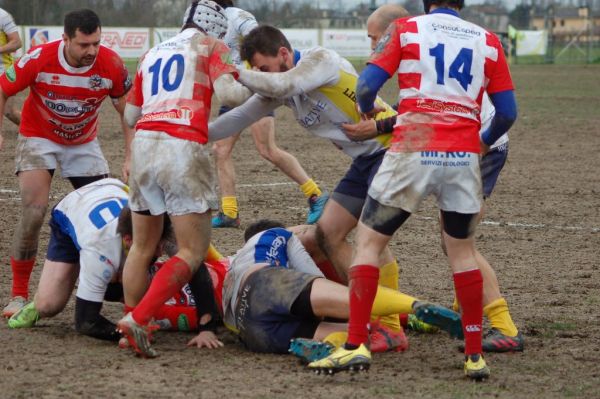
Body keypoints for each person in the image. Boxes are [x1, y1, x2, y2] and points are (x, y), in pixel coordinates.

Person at [309, 0, 517, 380]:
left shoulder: (407, 29)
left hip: (413, 146)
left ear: (426, 4)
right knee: (462, 252)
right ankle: (474, 357)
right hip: (462, 155)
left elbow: (367, 84)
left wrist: (369, 108)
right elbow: (507, 112)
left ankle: (356, 346)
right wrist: (482, 141)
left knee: (369, 243)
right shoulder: (488, 40)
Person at [208, 25, 409, 350]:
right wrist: (187, 131)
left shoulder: (322, 60)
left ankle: (389, 326)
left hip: (390, 150)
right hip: (364, 162)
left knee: (370, 239)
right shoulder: (283, 89)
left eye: (262, 68)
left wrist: (233, 73)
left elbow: (284, 81)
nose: (261, 76)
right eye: (255, 71)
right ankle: (368, 312)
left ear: (284, 54)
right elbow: (238, 117)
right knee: (327, 234)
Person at [117, 0, 252, 358]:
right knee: (192, 251)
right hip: (182, 147)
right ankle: (140, 319)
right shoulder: (211, 46)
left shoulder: (152, 51)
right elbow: (230, 95)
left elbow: (131, 115)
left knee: (144, 247)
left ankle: (132, 321)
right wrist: (251, 79)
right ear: (218, 25)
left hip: (145, 143)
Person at [0, 9, 135, 318]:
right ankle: (19, 293)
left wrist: (130, 153)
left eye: (96, 44)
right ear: (66, 39)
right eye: (83, 45)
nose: (91, 51)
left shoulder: (111, 64)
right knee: (34, 212)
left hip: (84, 143)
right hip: (38, 137)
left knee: (116, 217)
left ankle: (120, 284)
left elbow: (126, 108)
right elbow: (2, 88)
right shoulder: (38, 59)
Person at [8, 178, 224, 349]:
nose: (160, 251)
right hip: (72, 210)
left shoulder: (158, 229)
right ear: (129, 239)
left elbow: (195, 265)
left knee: (149, 271)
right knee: (50, 304)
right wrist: (122, 333)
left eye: (161, 244)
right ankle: (37, 305)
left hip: (114, 190)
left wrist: (207, 327)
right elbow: (85, 322)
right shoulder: (101, 250)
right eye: (155, 246)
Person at [209, 0, 327, 228]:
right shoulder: (211, 21)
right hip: (236, 92)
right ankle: (229, 212)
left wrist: (257, 75)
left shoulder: (237, 15)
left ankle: (316, 195)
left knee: (267, 149)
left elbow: (257, 39)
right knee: (220, 149)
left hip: (256, 89)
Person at [0, 7, 22, 125]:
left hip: (3, 70)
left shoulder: (2, 16)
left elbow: (17, 42)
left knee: (9, 112)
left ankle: (40, 131)